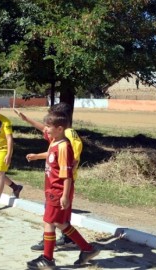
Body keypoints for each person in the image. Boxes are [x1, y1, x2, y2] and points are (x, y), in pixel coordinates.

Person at [24, 111, 99, 269]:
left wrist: (65, 195)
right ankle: (87, 249)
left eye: (48, 127)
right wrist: (37, 156)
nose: (46, 129)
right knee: (60, 222)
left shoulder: (64, 146)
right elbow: (51, 155)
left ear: (59, 129)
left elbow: (67, 174)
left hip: (58, 191)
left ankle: (48, 259)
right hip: (52, 189)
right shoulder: (55, 141)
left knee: (49, 222)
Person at [14, 103, 83, 250]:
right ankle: (68, 241)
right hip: (56, 181)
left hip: (62, 182)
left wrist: (65, 189)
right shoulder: (59, 133)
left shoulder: (68, 138)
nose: (47, 127)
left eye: (51, 117)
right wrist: (26, 119)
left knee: (52, 218)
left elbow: (71, 163)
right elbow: (44, 129)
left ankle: (53, 248)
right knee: (57, 218)